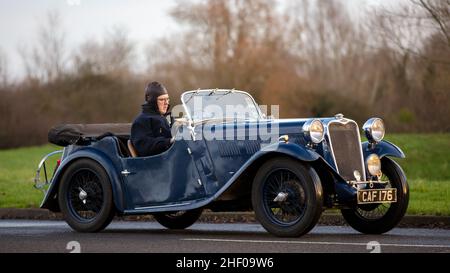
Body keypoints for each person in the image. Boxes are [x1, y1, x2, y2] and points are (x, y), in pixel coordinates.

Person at [130, 81, 174, 157]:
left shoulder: (167, 117)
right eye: (162, 100)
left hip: (173, 156)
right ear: (152, 101)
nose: (166, 103)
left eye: (167, 99)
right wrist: (169, 141)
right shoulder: (141, 121)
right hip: (158, 162)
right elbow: (145, 147)